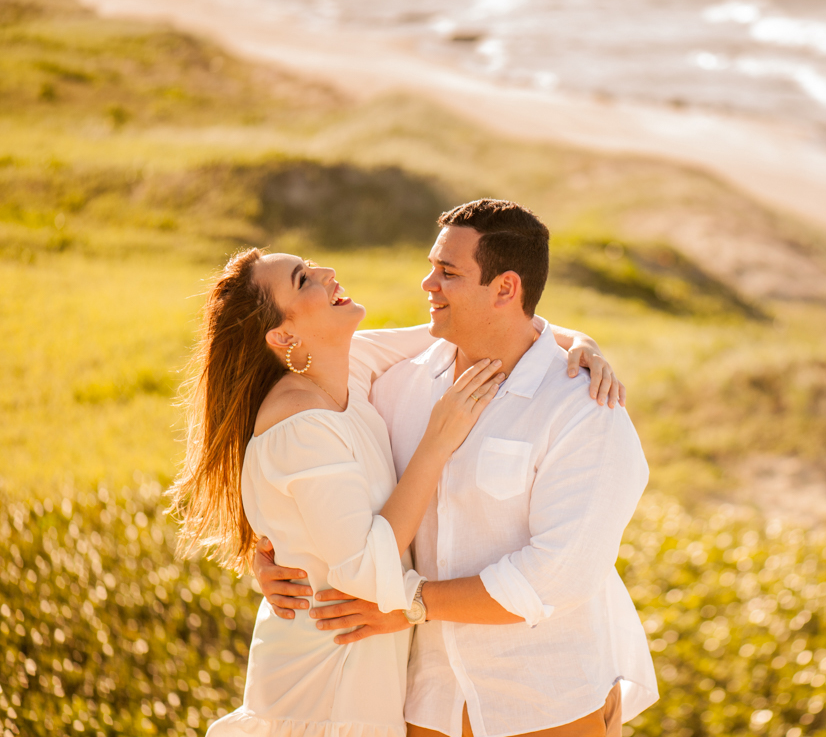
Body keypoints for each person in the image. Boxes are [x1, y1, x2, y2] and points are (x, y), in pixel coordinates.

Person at [167, 244, 621, 736]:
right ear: (282, 333)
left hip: (373, 675)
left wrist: (579, 339)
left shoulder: (346, 370)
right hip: (327, 677)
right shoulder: (300, 420)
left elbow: (468, 330)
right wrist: (437, 442)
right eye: (302, 280)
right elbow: (364, 572)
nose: (327, 271)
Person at [256, 200, 658, 737]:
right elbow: (309, 470)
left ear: (505, 289)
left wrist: (413, 604)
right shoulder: (393, 385)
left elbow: (557, 575)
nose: (427, 283)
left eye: (448, 273)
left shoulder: (585, 407)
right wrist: (271, 557)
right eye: (432, 265)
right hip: (426, 705)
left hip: (548, 703)